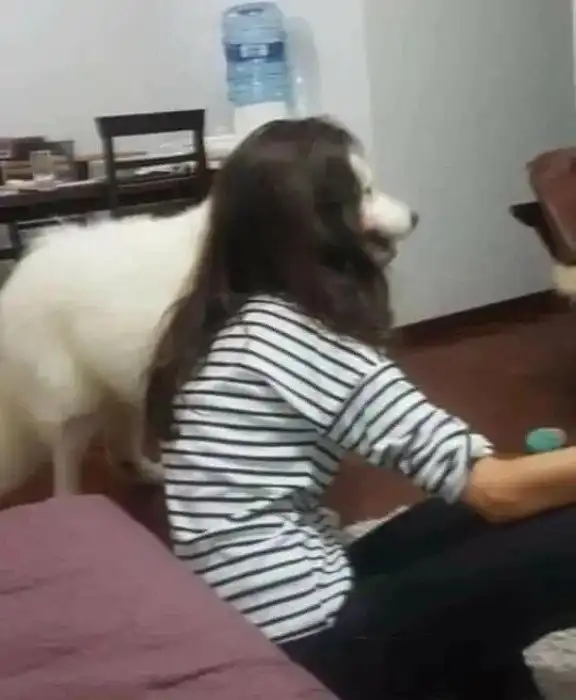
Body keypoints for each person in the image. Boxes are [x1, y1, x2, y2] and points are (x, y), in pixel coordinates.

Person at [145, 117, 576, 700]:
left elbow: (474, 490)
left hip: (269, 606)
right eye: (364, 195)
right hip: (307, 639)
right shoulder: (291, 334)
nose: (389, 211)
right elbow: (496, 490)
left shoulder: (234, 317)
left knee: (465, 520)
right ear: (315, 225)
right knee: (534, 524)